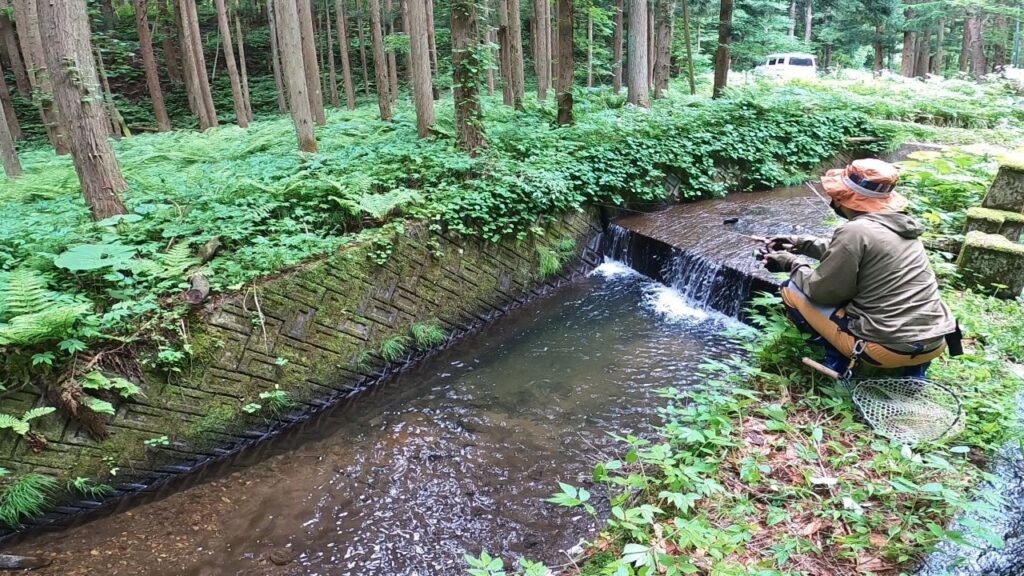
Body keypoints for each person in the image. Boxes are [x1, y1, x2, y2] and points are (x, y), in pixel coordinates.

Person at [761, 158, 959, 378]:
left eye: (836, 195)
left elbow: (821, 292)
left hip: (885, 349)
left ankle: (838, 363)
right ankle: (914, 375)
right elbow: (853, 251)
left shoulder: (855, 231)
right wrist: (799, 243)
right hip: (936, 341)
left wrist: (791, 262)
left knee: (791, 289)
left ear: (844, 197)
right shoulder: (899, 224)